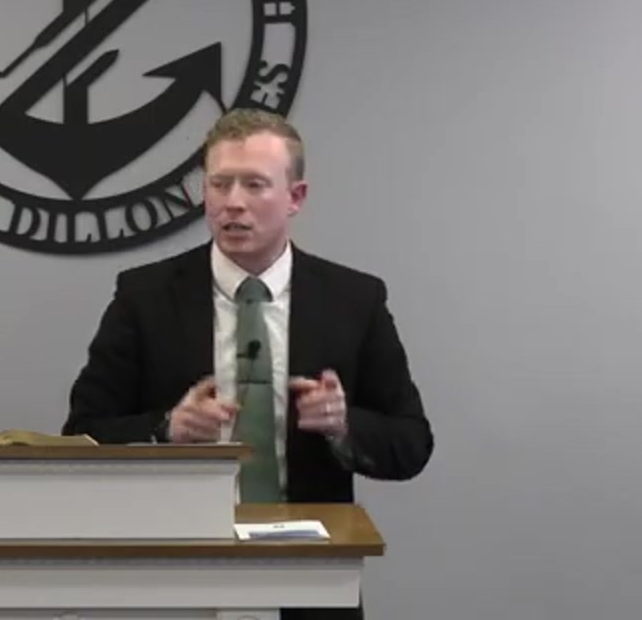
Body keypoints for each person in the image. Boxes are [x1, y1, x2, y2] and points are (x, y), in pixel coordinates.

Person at [61, 108, 433, 620]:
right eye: (220, 184)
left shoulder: (355, 300)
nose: (233, 202)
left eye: (254, 185)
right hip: (177, 578)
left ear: (295, 197)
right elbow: (81, 434)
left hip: (309, 580)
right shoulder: (144, 297)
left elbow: (411, 443)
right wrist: (165, 430)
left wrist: (343, 426)